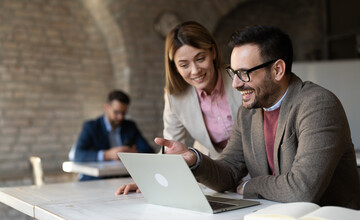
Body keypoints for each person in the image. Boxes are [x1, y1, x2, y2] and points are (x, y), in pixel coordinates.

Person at [116, 25, 360, 210]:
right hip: (277, 216)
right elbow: (230, 171)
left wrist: (248, 186)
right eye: (233, 73)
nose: (234, 84)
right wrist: (194, 159)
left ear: (277, 70)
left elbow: (302, 189)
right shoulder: (249, 112)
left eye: (244, 74)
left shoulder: (317, 104)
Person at [162, 21, 242, 158]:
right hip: (210, 170)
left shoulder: (240, 77)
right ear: (175, 67)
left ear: (213, 52)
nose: (195, 71)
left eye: (200, 59)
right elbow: (171, 149)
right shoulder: (175, 98)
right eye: (184, 65)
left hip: (255, 167)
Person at [72, 90, 154, 181]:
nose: (120, 117)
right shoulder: (91, 127)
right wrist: (107, 154)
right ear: (106, 107)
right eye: (116, 112)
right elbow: (78, 155)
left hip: (124, 178)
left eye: (123, 113)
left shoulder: (130, 126)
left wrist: (133, 154)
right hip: (98, 180)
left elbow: (149, 151)